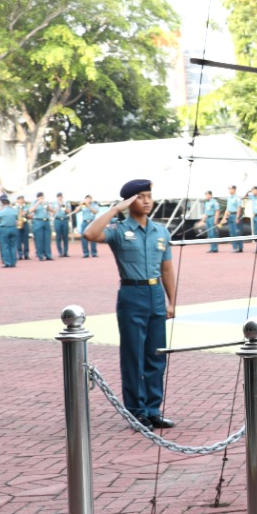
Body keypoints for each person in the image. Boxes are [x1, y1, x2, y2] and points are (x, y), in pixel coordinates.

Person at [84, 179, 178, 431]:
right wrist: (115, 209)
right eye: (140, 197)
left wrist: (172, 301)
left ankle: (153, 410)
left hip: (155, 292)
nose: (147, 201)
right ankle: (137, 411)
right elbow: (90, 234)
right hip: (131, 293)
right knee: (133, 356)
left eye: (149, 196)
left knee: (156, 356)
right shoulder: (118, 229)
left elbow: (167, 268)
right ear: (128, 202)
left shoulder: (161, 231)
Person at [0, 196, 20, 267]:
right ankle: (13, 262)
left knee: (5, 246)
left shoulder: (1, 212)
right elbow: (17, 218)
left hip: (4, 229)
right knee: (13, 246)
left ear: (2, 203)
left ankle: (8, 262)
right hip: (13, 228)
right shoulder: (13, 210)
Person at [53, 193, 71, 258]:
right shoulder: (54, 203)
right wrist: (58, 206)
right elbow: (53, 212)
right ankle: (60, 252)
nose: (60, 198)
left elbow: (69, 212)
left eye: (61, 197)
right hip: (57, 220)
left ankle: (65, 252)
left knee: (65, 237)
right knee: (58, 237)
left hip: (65, 220)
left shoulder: (66, 203)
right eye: (58, 197)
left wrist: (64, 206)